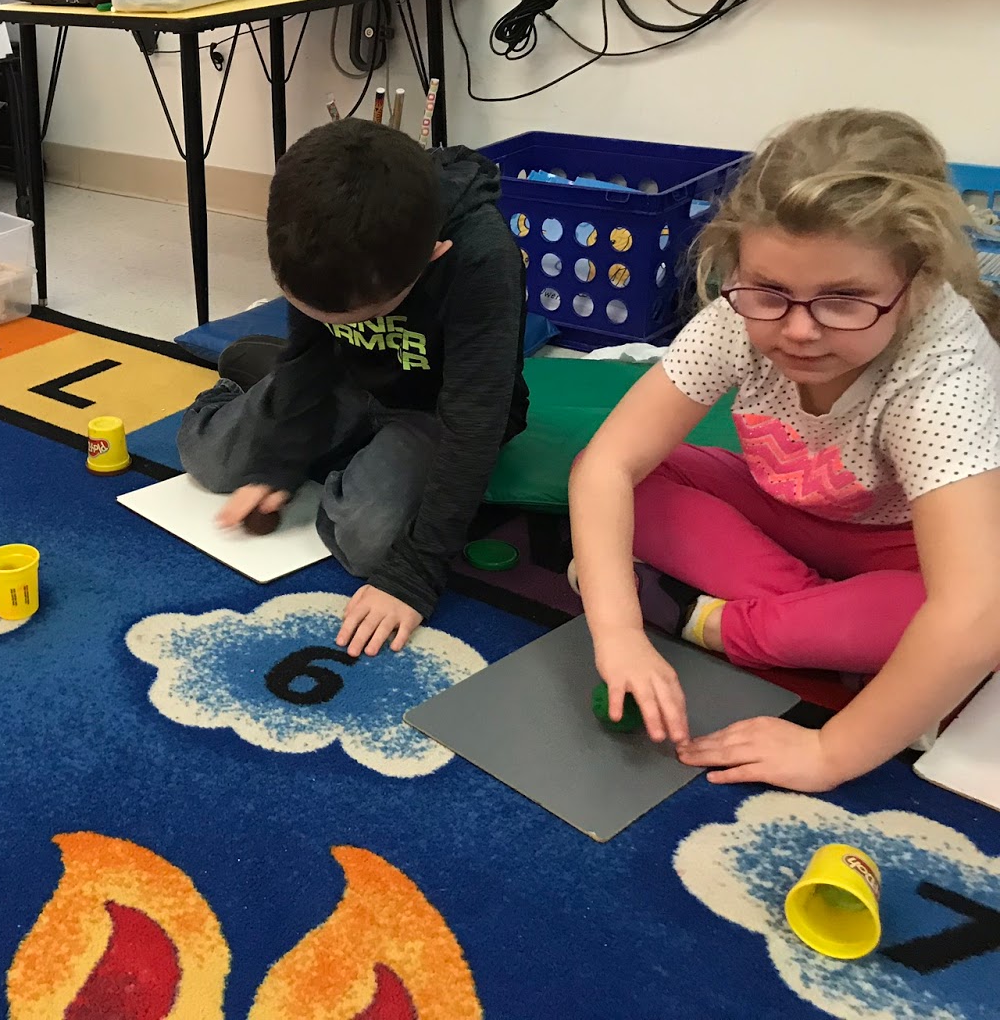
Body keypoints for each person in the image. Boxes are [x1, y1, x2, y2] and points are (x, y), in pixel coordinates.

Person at [569, 108, 1000, 792]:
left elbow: (974, 611)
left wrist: (831, 753)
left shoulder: (942, 375)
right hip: (784, 510)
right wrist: (617, 632)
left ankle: (719, 622)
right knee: (627, 482)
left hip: (906, 551)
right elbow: (609, 464)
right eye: (770, 291)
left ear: (918, 284)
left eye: (844, 299)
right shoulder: (738, 316)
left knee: (968, 622)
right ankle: (810, 622)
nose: (799, 330)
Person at [179, 120, 529, 656]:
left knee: (369, 542)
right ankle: (248, 375)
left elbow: (474, 424)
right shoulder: (320, 237)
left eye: (353, 317)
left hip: (435, 406)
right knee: (210, 461)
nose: (332, 323)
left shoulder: (481, 254)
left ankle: (282, 388)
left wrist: (415, 573)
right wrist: (278, 464)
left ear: (431, 255)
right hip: (344, 379)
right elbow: (309, 354)